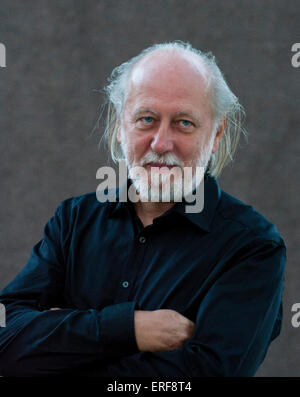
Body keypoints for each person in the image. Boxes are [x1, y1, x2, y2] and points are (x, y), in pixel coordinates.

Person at [0, 41, 286, 377]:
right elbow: (6, 338)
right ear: (121, 124)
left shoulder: (252, 247)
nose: (162, 144)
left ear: (217, 132)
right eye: (146, 119)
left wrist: (58, 345)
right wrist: (128, 328)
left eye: (184, 123)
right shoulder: (74, 220)